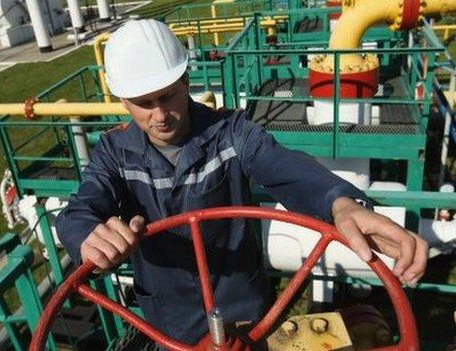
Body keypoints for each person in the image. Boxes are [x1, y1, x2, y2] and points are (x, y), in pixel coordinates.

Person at [56, 19, 428, 346]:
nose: (160, 115)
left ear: (186, 80)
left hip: (243, 313)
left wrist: (341, 203)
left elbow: (287, 168)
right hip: (169, 322)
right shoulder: (114, 152)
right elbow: (80, 210)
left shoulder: (231, 133)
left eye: (168, 96)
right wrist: (87, 235)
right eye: (144, 102)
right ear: (123, 100)